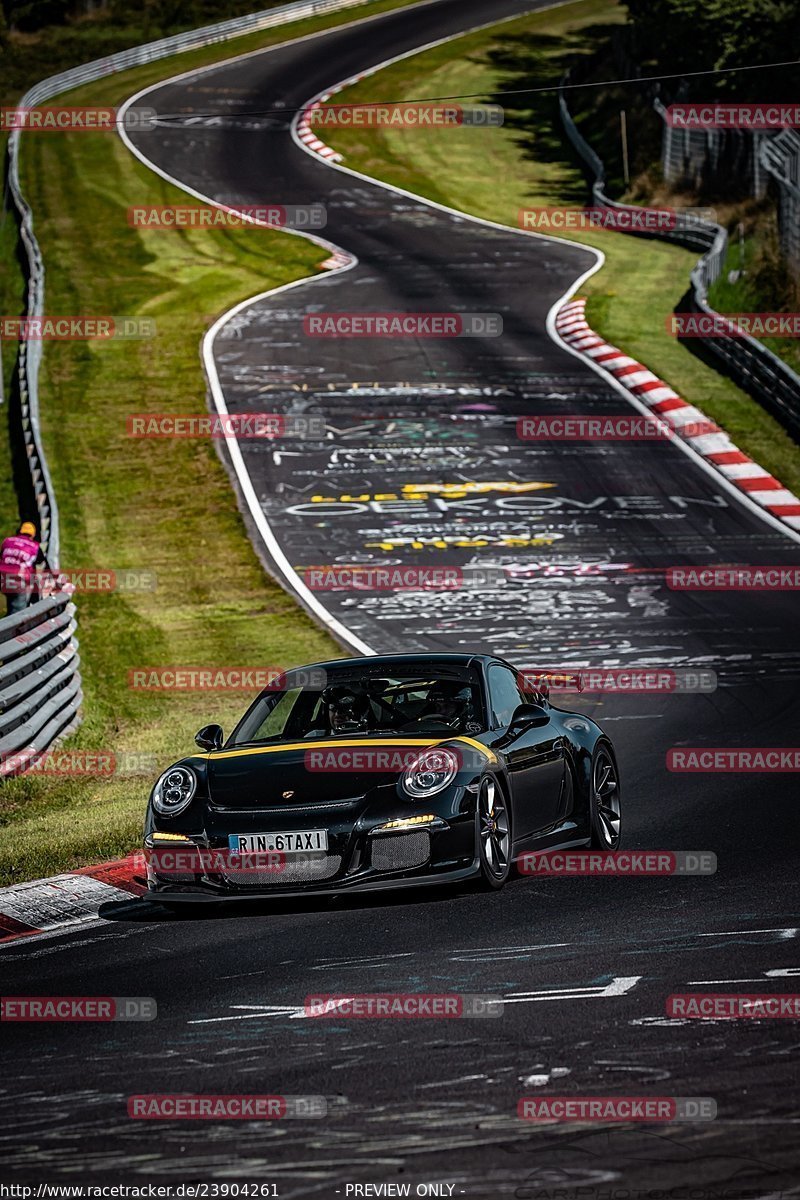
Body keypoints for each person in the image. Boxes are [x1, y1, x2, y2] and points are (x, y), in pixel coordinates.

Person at [0, 521, 44, 616]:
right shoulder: (35, 546)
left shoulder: (7, 541)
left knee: (10, 606)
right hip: (18, 581)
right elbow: (40, 560)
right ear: (33, 535)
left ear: (19, 531)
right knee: (17, 615)